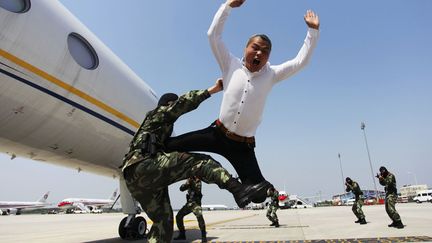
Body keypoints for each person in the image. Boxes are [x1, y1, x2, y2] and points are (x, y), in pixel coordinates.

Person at [166, 0, 319, 203]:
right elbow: (213, 35)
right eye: (255, 47)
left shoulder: (272, 74)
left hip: (243, 146)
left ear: (268, 57)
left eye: (264, 51)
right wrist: (228, 6)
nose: (259, 53)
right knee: (171, 145)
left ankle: (237, 188)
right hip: (217, 134)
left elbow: (301, 62)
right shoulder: (230, 64)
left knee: (257, 195)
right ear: (246, 48)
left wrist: (313, 32)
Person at [121, 78, 270, 243]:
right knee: (200, 162)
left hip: (135, 179)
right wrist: (211, 90)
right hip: (144, 165)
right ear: (167, 104)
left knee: (163, 224)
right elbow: (182, 104)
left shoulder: (156, 130)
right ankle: (238, 189)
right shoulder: (159, 114)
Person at [174, 176, 207, 242]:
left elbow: (197, 190)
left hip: (196, 204)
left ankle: (203, 238)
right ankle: (182, 234)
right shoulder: (190, 180)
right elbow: (181, 189)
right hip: (189, 204)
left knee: (200, 219)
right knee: (178, 216)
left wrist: (190, 183)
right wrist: (187, 183)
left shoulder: (198, 181)